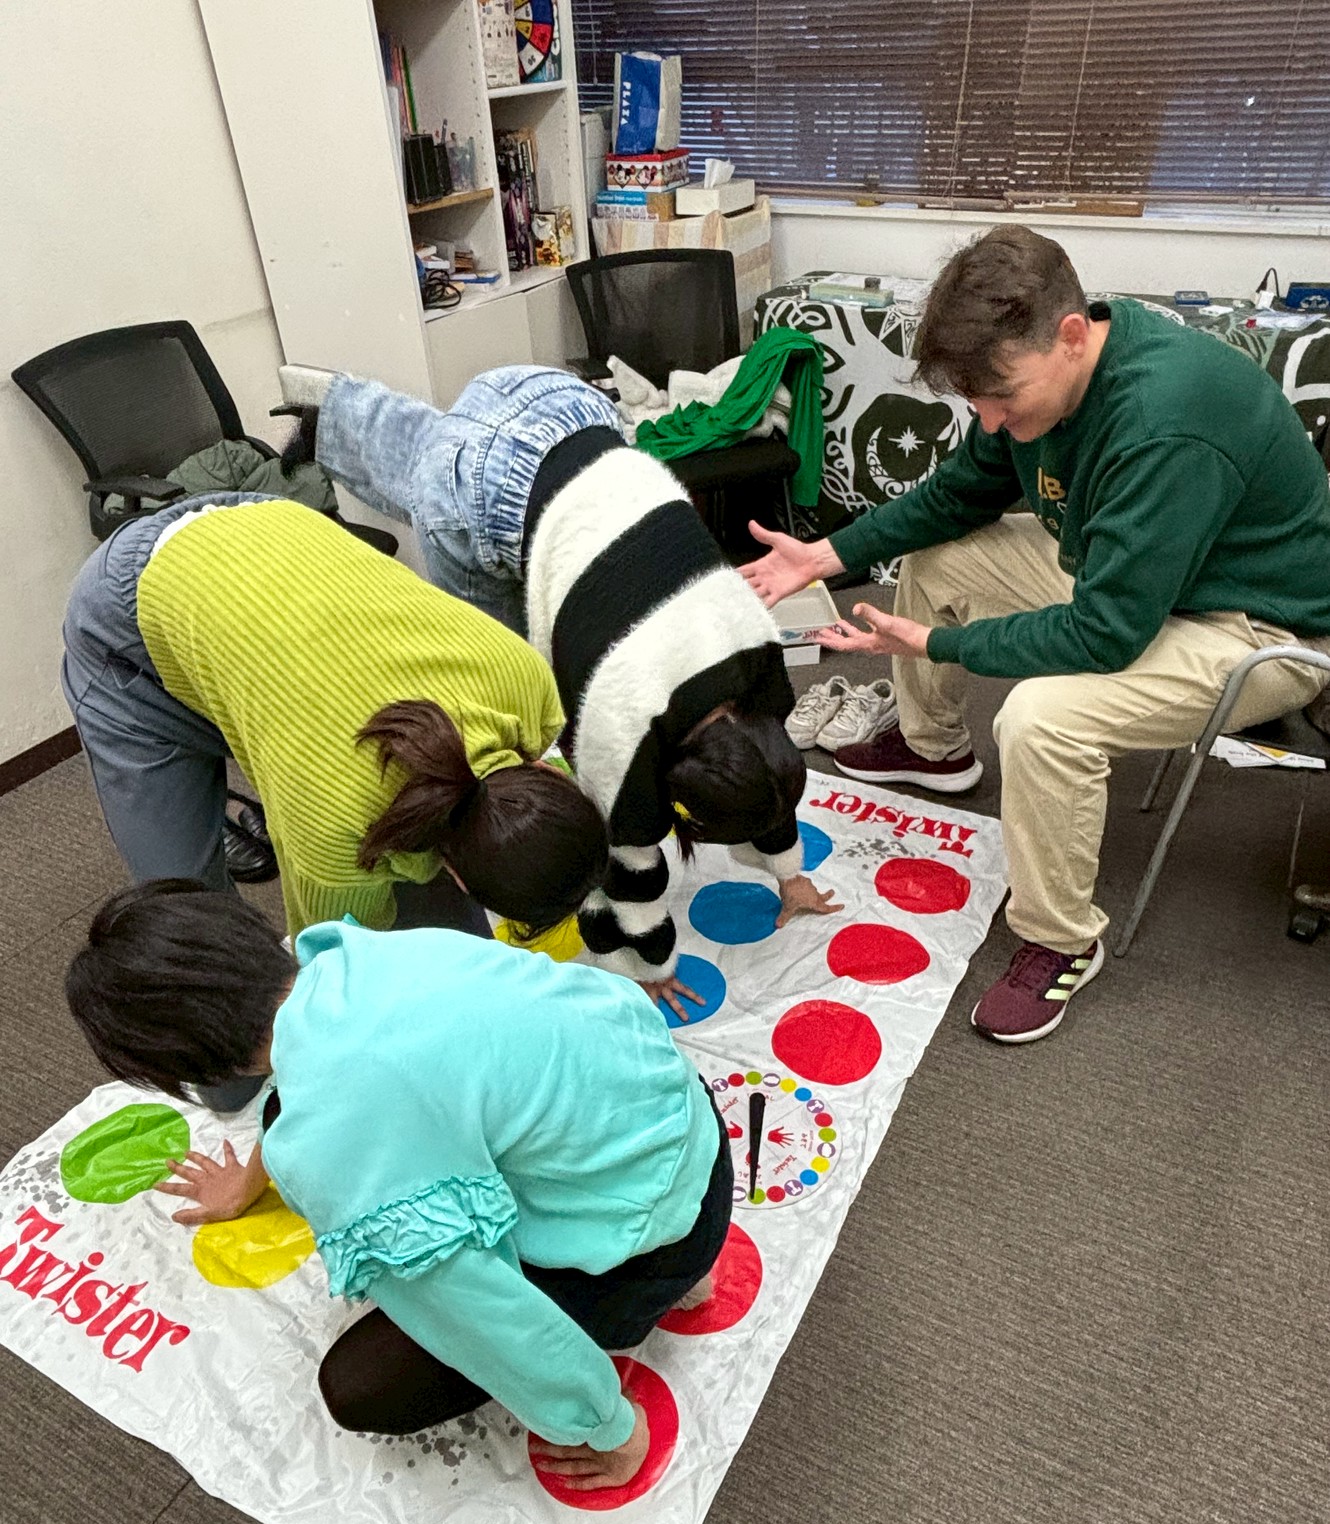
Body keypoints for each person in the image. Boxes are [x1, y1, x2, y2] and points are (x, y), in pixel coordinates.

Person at [740, 225, 1330, 1044]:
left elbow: (1103, 635)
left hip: (1256, 626)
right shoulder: (1037, 381)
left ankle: (1062, 939)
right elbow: (955, 498)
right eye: (976, 400)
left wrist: (938, 644)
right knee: (941, 557)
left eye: (1002, 397)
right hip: (1141, 574)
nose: (989, 418)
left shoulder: (1162, 421)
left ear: (1072, 335)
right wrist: (824, 555)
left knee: (1042, 720)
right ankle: (934, 747)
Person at [65, 881, 734, 1492]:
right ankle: (674, 1259)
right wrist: (251, 1180)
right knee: (302, 1114)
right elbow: (315, 1085)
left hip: (652, 1239)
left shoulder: (330, 1140)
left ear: (187, 1064)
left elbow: (482, 1314)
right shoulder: (357, 955)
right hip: (686, 1122)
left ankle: (662, 1284)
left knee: (358, 1387)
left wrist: (611, 1426)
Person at [278, 365, 840, 1017]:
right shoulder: (621, 727)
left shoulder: (757, 652)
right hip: (486, 492)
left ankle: (337, 416)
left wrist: (791, 876)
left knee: (448, 449)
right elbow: (626, 865)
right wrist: (646, 967)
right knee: (496, 686)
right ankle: (337, 424)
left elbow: (766, 777)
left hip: (565, 407)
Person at [62, 491, 607, 942]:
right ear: (461, 879)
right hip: (132, 612)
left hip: (271, 526)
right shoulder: (337, 833)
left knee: (432, 921)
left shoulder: (530, 684)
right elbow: (333, 960)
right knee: (193, 928)